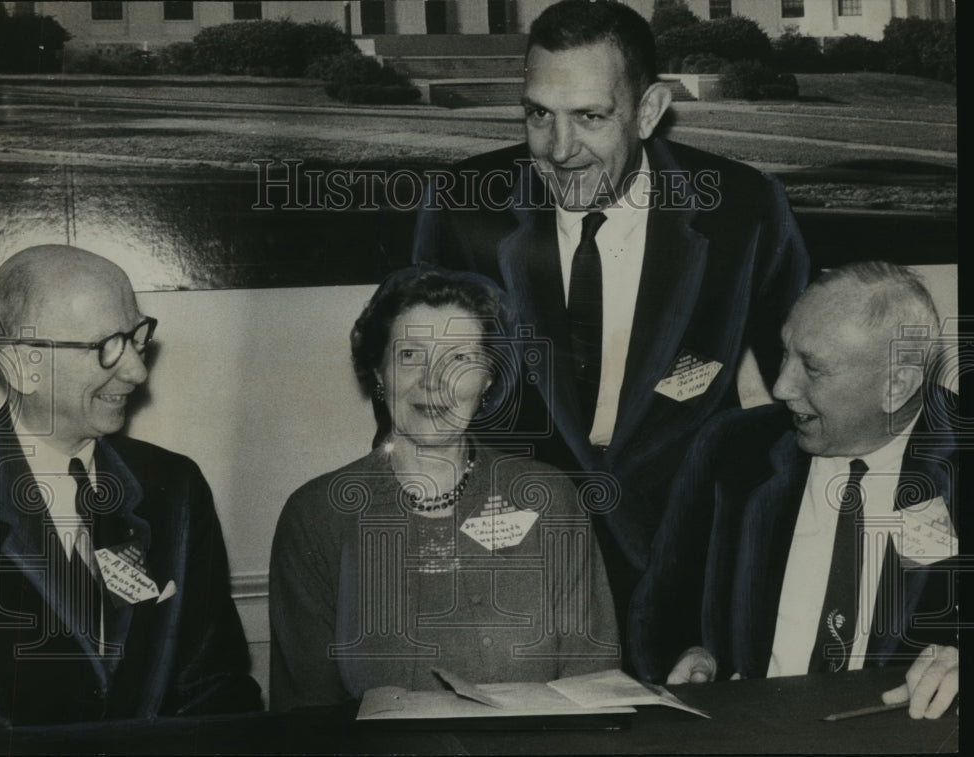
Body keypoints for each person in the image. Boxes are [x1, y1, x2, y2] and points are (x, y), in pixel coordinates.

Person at [412, 0, 809, 610]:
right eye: (538, 113)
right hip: (511, 559)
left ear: (648, 111)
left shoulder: (742, 209)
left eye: (590, 117)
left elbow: (795, 393)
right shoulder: (463, 210)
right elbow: (418, 402)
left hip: (691, 559)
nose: (558, 148)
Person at [269, 266, 619, 709]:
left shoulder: (550, 498)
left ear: (489, 379)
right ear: (378, 373)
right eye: (410, 355)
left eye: (458, 359)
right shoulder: (318, 516)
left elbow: (593, 682)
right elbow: (308, 720)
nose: (433, 381)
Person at [629, 262, 958, 719]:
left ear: (897, 385)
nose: (782, 386)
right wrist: (689, 655)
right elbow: (661, 604)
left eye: (813, 367)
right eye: (785, 353)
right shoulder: (733, 449)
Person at [0, 245, 261, 726]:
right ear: (21, 364)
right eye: (106, 346)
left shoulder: (174, 486)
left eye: (136, 338)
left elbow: (217, 681)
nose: (136, 371)